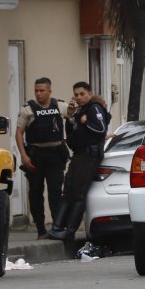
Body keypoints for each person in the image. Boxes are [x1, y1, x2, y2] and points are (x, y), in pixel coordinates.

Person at [46, 81, 111, 241]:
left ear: (89, 93)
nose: (79, 97)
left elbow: (101, 129)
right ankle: (57, 227)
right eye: (76, 95)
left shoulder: (94, 108)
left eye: (82, 94)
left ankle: (69, 231)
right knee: (68, 190)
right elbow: (71, 133)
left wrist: (85, 122)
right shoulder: (79, 110)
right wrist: (71, 117)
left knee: (79, 193)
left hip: (90, 155)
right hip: (79, 154)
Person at [15, 77, 68, 239]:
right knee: (36, 193)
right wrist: (23, 155)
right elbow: (19, 133)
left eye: (42, 90)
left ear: (49, 91)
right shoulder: (28, 110)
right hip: (36, 155)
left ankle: (57, 228)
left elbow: (74, 118)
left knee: (55, 193)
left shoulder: (60, 106)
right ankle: (41, 230)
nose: (38, 94)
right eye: (36, 90)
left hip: (56, 154)